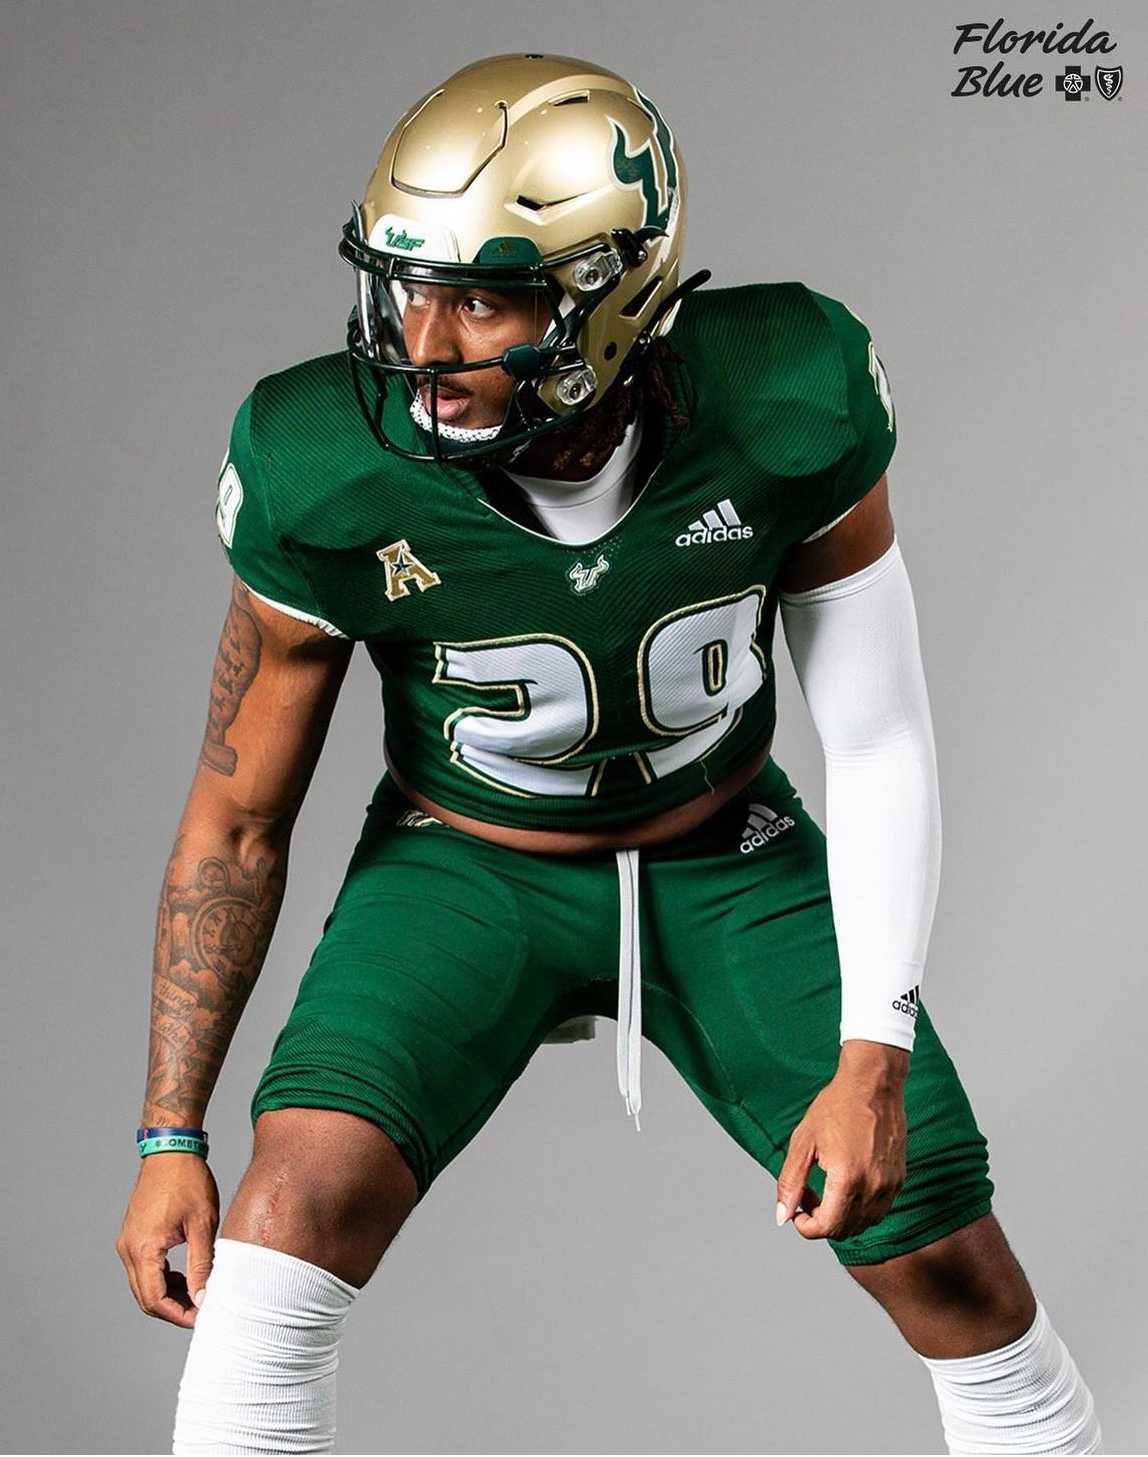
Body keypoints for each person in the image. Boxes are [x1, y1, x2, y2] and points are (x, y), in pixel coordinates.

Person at [117, 53, 1102, 1455]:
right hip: (463, 861)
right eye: (405, 288)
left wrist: (871, 1058)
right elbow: (234, 823)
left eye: (481, 298)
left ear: (613, 292)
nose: (424, 343)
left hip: (724, 851)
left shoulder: (783, 393)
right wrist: (170, 1134)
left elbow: (877, 735)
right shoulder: (320, 461)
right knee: (277, 1249)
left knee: (947, 1261)